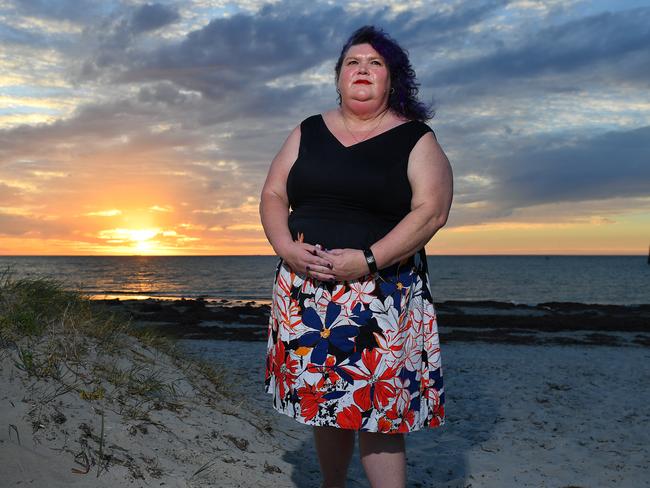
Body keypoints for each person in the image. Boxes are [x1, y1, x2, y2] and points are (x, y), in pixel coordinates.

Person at [260, 25, 453, 488]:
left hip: (382, 294)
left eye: (375, 63)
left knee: (380, 411)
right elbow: (272, 193)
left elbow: (433, 211)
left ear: (392, 80)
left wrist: (367, 260)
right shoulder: (308, 130)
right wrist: (286, 247)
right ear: (339, 78)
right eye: (352, 62)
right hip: (305, 294)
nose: (362, 69)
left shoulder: (416, 138)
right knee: (326, 407)